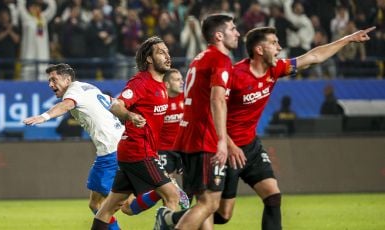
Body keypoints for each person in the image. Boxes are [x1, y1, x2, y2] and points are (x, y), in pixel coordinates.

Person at [214, 25, 375, 230]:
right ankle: (173, 220)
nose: (279, 48)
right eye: (274, 43)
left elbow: (313, 57)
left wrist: (348, 39)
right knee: (223, 214)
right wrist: (229, 144)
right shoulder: (234, 76)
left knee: (273, 196)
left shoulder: (275, 69)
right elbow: (212, 113)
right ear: (259, 50)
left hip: (250, 147)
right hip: (227, 148)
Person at [154, 13, 244, 230]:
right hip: (204, 139)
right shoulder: (220, 60)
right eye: (233, 29)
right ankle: (167, 220)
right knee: (210, 203)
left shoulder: (200, 58)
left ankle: (168, 219)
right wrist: (222, 141)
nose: (237, 33)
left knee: (203, 202)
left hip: (188, 138)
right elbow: (217, 99)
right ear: (219, 35)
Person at [90, 36, 180, 230]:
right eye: (161, 52)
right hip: (138, 151)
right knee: (172, 196)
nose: (167, 56)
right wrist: (130, 115)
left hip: (136, 151)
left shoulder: (161, 87)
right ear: (149, 59)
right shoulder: (141, 82)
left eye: (167, 51)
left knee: (109, 208)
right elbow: (117, 105)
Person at [23, 63, 124, 230]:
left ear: (67, 79)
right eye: (49, 81)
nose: (50, 85)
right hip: (117, 146)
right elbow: (114, 104)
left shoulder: (72, 92)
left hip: (111, 151)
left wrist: (44, 116)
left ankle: (165, 190)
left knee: (126, 206)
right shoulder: (89, 87)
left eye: (54, 80)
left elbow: (67, 105)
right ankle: (164, 189)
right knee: (95, 204)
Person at [120, 68, 188, 216]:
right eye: (177, 79)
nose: (182, 82)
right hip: (160, 151)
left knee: (172, 196)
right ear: (167, 84)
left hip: (181, 150)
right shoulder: (157, 99)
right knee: (167, 194)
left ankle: (170, 218)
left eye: (181, 79)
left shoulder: (186, 99)